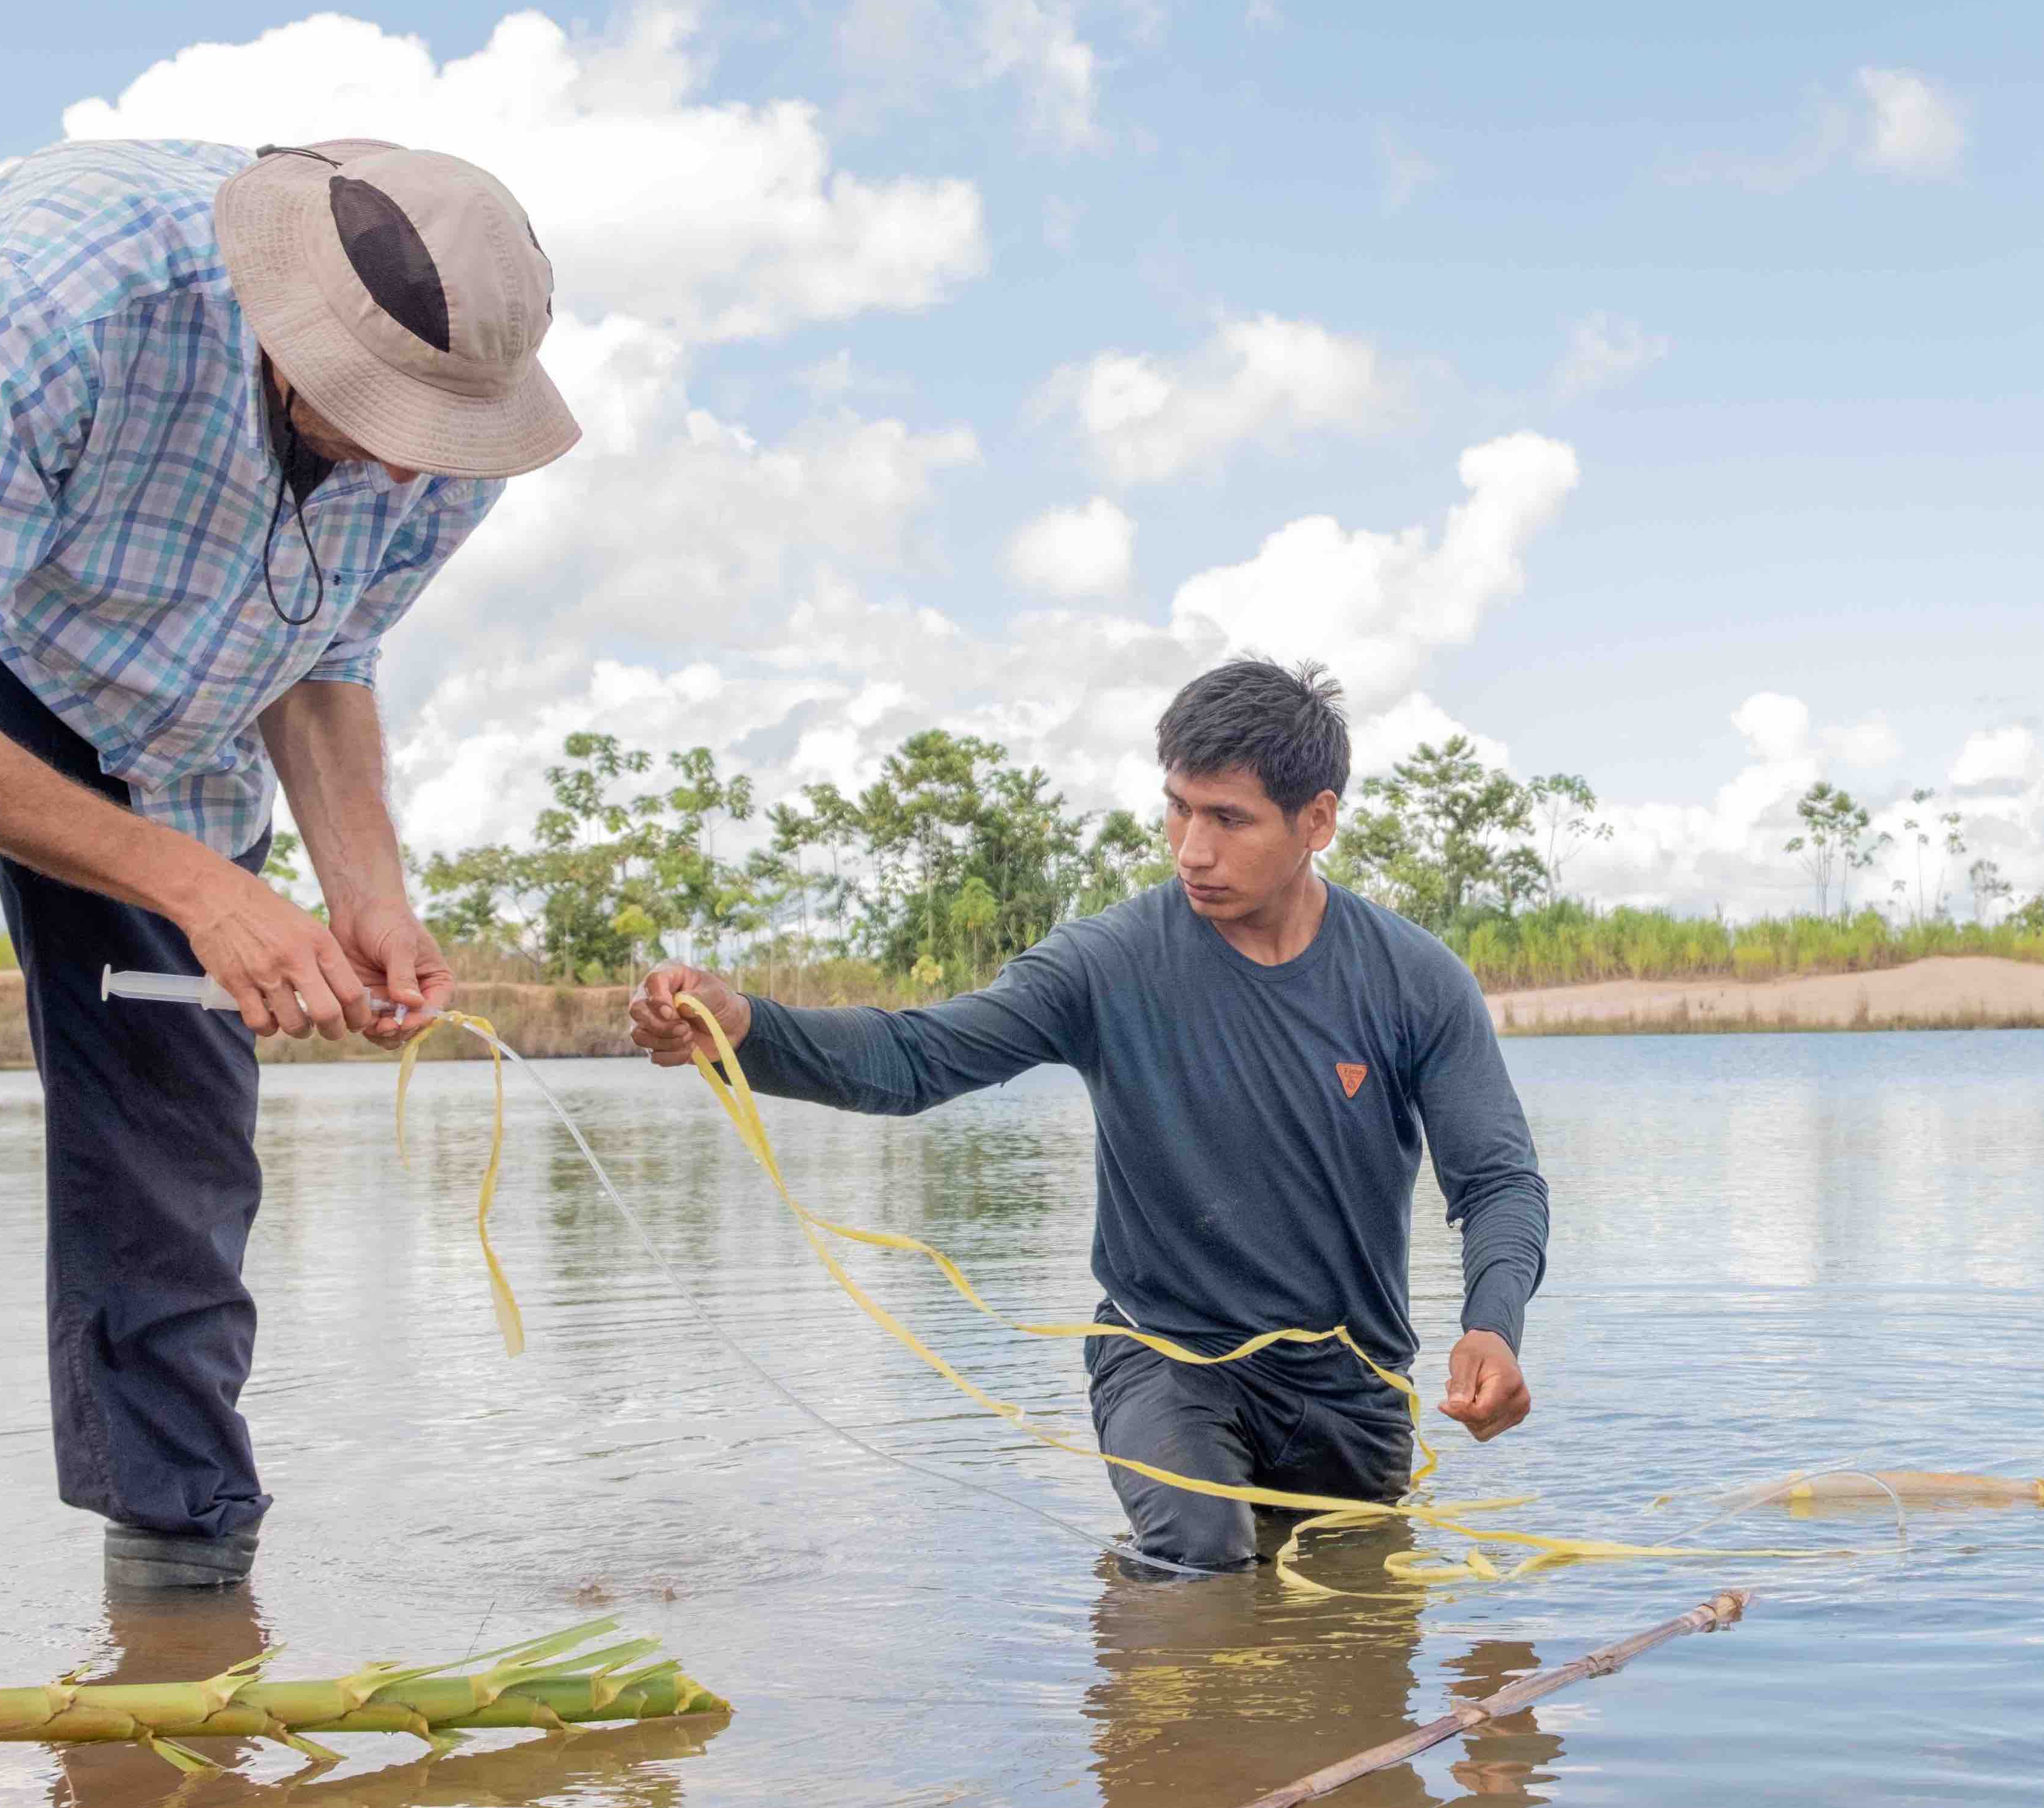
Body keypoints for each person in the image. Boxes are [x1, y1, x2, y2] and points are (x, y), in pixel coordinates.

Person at [0, 135, 580, 1696]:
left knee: (177, 1103)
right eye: (376, 422)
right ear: (283, 329)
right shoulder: (64, 296)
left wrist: (366, 899)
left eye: (436, 439)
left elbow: (325, 658)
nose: (403, 470)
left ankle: (185, 1588)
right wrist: (203, 886)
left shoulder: (439, 446)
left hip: (160, 689)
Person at [628, 658, 1549, 1573]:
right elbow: (918, 1058)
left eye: (1229, 818)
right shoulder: (1107, 963)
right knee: (1200, 1553)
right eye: (1178, 808)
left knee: (1353, 1640)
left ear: (1318, 820)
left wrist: (1492, 1325)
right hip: (1167, 1357)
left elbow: (1499, 1178)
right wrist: (747, 1029)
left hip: (1355, 1392)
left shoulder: (1414, 980)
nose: (1192, 847)